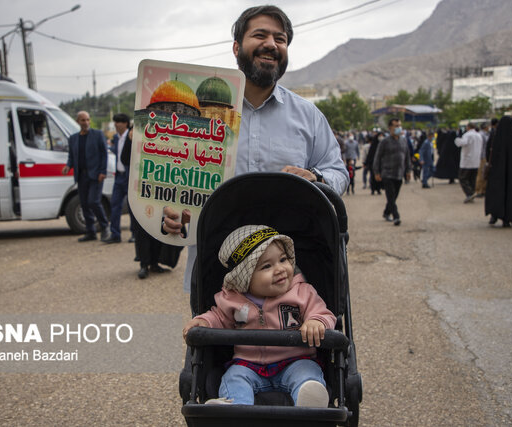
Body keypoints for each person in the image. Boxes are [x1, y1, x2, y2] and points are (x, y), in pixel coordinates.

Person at [164, 5, 348, 293]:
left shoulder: (308, 116)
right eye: (260, 35)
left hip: (290, 277)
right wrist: (171, 213)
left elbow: (337, 171)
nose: (271, 44)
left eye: (280, 38)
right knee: (214, 338)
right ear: (237, 47)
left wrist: (318, 178)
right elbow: (173, 180)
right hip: (217, 274)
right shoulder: (197, 114)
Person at [183, 225, 335, 407]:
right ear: (244, 279)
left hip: (295, 360)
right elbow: (219, 317)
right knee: (233, 377)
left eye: (283, 259)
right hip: (248, 364)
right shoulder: (233, 300)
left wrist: (316, 321)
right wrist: (203, 321)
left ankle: (309, 400)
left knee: (307, 373)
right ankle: (234, 407)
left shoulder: (302, 292)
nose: (280, 269)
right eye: (267, 266)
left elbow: (322, 312)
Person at [120, 128, 166, 278]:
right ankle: (143, 264)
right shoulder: (135, 132)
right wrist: (129, 140)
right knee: (141, 229)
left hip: (159, 189)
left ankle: (154, 262)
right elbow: (125, 159)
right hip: (140, 189)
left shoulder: (163, 133)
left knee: (157, 226)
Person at [62, 111, 110, 241]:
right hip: (81, 176)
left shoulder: (98, 135)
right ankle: (91, 232)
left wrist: (103, 171)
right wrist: (68, 166)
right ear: (78, 122)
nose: (86, 122)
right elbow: (72, 156)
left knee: (93, 201)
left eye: (88, 119)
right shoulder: (73, 138)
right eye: (83, 120)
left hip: (96, 175)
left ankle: (105, 227)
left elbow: (104, 154)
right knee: (84, 203)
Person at [484, 116, 512, 227]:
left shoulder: (495, 138)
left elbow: (488, 153)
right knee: (511, 194)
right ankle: (511, 217)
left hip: (497, 174)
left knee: (497, 194)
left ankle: (495, 215)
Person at [373, 118, 412, 226]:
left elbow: (407, 156)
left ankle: (386, 212)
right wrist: (376, 172)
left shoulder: (403, 140)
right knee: (390, 195)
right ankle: (396, 216)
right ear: (390, 128)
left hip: (399, 173)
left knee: (394, 197)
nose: (398, 128)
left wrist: (408, 170)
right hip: (387, 173)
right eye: (396, 125)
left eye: (399, 125)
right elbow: (377, 157)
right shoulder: (385, 142)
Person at [104, 113, 131, 244]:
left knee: (132, 207)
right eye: (115, 122)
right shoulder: (116, 137)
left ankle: (134, 234)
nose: (116, 124)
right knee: (115, 205)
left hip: (129, 176)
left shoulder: (131, 137)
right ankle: (115, 234)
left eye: (118, 122)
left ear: (125, 123)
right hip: (119, 176)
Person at [454, 122, 483, 203]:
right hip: (476, 160)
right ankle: (472, 192)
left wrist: (457, 140)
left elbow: (462, 143)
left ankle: (469, 193)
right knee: (472, 178)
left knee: (462, 178)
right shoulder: (478, 135)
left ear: (468, 127)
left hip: (467, 161)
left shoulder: (468, 135)